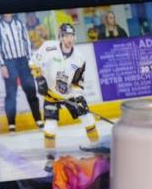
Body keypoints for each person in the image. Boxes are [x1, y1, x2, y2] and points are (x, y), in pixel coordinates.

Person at [29, 23, 100, 171]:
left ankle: (98, 152)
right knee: (50, 126)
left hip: (70, 95)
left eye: (71, 35)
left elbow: (77, 83)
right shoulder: (48, 47)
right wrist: (39, 78)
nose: (69, 39)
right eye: (66, 36)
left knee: (88, 118)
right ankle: (49, 159)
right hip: (51, 94)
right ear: (60, 37)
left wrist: (79, 97)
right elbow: (33, 62)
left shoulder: (79, 58)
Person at [0, 14, 43, 132]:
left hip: (23, 61)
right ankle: (11, 124)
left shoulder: (20, 24)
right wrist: (2, 65)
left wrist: (30, 60)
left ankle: (39, 120)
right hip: (9, 62)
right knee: (11, 93)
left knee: (31, 90)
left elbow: (27, 42)